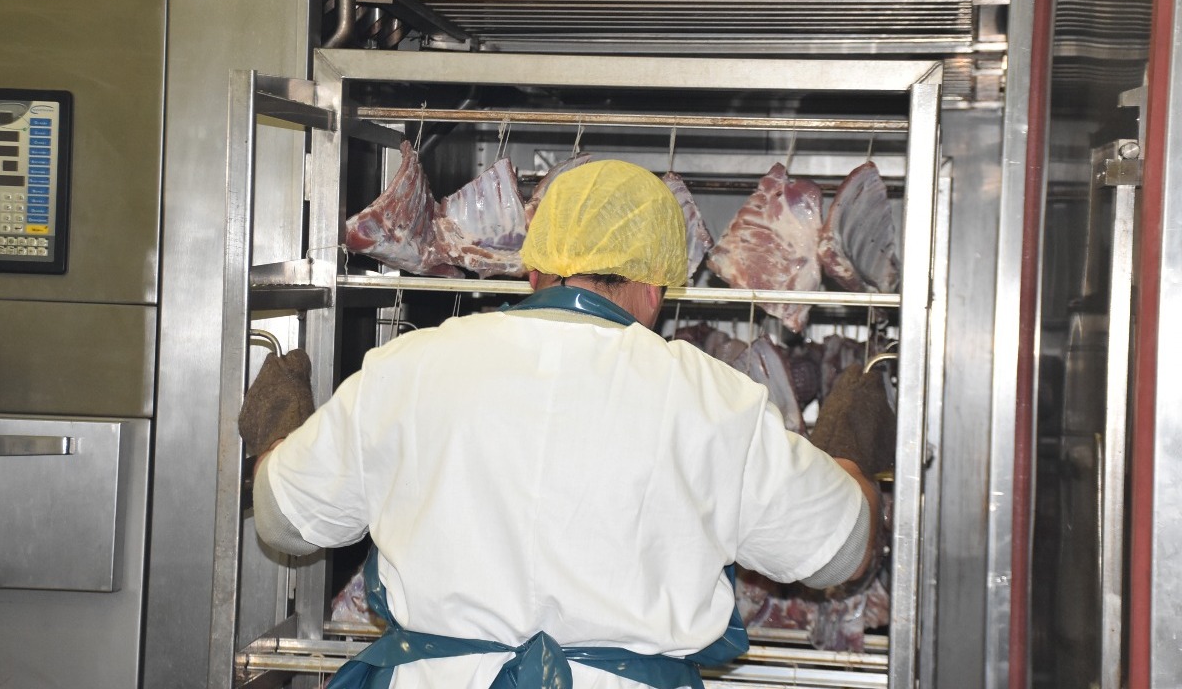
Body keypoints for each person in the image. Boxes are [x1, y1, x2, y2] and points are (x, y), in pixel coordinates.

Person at [240, 159, 881, 689]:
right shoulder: (714, 399)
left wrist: (278, 427)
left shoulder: (409, 368)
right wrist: (852, 453)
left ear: (533, 270)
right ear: (656, 290)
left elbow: (284, 520)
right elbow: (841, 551)